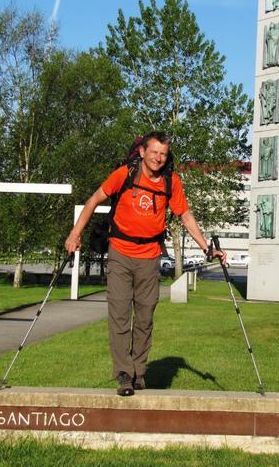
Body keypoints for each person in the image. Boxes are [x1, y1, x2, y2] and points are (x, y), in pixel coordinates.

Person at [65, 132, 226, 396]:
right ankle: (124, 374)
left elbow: (185, 215)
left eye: (163, 153)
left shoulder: (171, 182)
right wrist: (74, 235)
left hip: (150, 256)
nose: (158, 158)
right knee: (119, 316)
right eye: (153, 152)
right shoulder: (124, 174)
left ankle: (139, 371)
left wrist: (207, 248)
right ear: (142, 152)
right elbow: (94, 200)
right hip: (120, 252)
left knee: (145, 317)